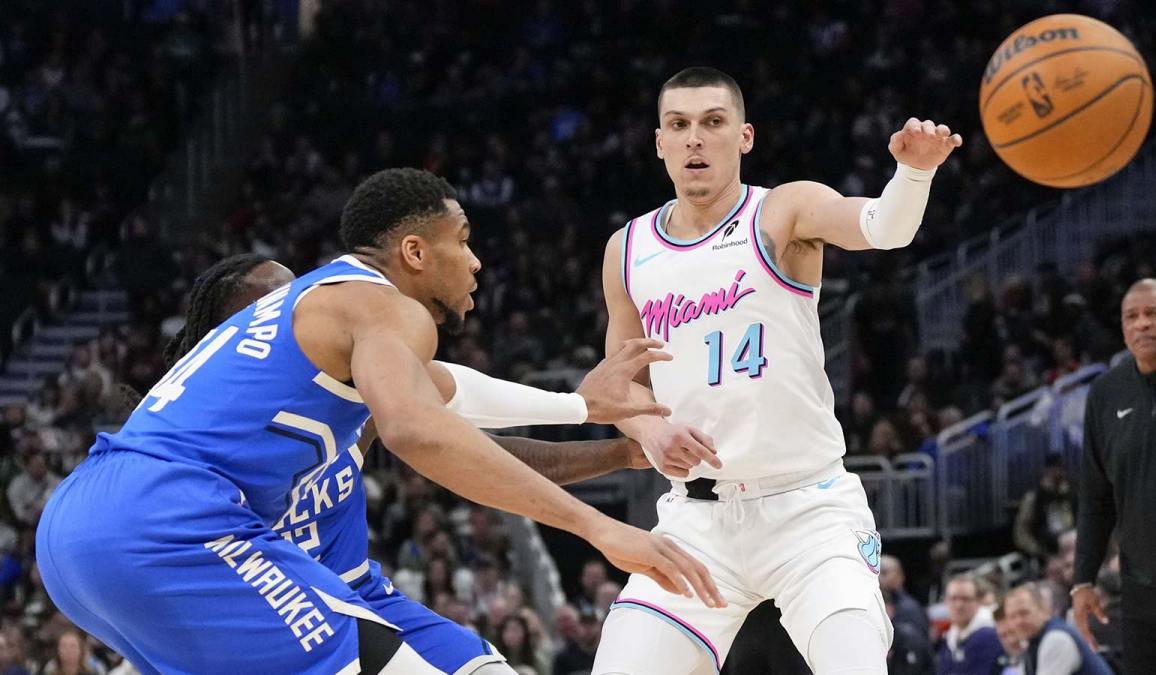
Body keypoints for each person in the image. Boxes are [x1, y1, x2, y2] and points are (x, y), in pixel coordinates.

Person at [36, 168, 722, 674]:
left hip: (96, 530)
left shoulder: (335, 325)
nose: (478, 261)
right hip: (170, 524)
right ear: (417, 253)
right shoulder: (386, 306)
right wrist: (597, 525)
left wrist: (582, 407)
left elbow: (452, 397)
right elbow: (418, 429)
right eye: (464, 240)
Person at [593, 66, 961, 674]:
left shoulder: (784, 211)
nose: (695, 140)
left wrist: (914, 171)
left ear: (744, 137)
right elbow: (620, 384)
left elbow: (884, 228)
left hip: (807, 512)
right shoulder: (627, 249)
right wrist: (652, 432)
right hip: (696, 521)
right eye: (678, 125)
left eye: (713, 123)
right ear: (658, 143)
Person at [159, 251, 666, 674]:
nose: (301, 305)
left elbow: (480, 452)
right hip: (274, 620)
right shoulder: (191, 441)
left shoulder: (353, 387)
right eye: (277, 301)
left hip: (362, 597)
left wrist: (619, 451)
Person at [1073, 278, 1156, 675]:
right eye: (1133, 316)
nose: (1143, 324)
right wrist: (1083, 581)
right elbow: (1095, 497)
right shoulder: (1106, 393)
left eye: (1155, 314)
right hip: (1144, 589)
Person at [1005, 584, 1112, 675]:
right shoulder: (1032, 643)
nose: (1018, 622)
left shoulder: (1056, 639)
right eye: (1012, 617)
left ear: (1044, 610)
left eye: (1024, 613)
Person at [936, 575, 1005, 675]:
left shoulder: (989, 636)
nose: (959, 605)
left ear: (978, 601)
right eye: (953, 598)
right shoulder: (950, 637)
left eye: (965, 599)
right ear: (945, 601)